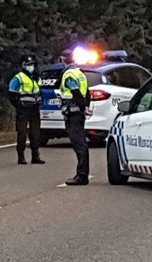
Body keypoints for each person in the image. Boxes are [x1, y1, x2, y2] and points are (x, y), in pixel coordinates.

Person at [59, 49, 91, 185]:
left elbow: (76, 92)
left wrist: (83, 108)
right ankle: (82, 174)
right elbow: (87, 92)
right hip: (78, 113)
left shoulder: (69, 74)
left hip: (73, 113)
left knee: (79, 145)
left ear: (63, 59)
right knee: (81, 144)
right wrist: (87, 106)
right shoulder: (79, 73)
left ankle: (81, 176)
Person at [8, 55, 45, 165]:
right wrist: (18, 106)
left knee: (35, 133)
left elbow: (40, 91)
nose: (31, 67)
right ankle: (21, 156)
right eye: (29, 65)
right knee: (22, 133)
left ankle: (35, 156)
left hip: (34, 109)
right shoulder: (18, 78)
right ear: (24, 65)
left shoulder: (37, 77)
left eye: (32, 65)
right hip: (23, 110)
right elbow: (11, 94)